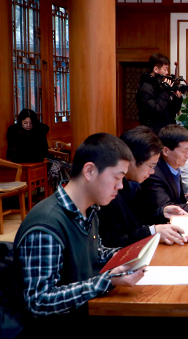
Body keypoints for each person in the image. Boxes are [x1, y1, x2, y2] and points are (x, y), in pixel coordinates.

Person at [12, 133, 144, 335]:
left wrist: (131, 255)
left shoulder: (89, 209)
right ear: (89, 171)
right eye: (117, 178)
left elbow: (93, 253)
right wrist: (107, 281)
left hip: (88, 312)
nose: (121, 186)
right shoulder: (46, 225)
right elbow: (39, 301)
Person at [98, 126, 188, 247]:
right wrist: (152, 232)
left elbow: (141, 220)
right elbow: (112, 242)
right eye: (151, 166)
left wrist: (162, 212)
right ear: (131, 161)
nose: (152, 172)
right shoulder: (109, 191)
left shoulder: (133, 184)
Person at [136, 53, 183, 133]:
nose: (167, 72)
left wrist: (177, 98)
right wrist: (165, 91)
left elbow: (173, 110)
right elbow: (156, 111)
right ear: (156, 69)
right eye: (165, 69)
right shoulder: (145, 88)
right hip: (154, 132)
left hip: (167, 130)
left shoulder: (162, 85)